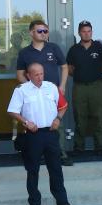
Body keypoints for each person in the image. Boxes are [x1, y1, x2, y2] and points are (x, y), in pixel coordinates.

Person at [6, 62, 76, 205]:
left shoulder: (51, 87)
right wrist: (25, 122)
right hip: (33, 135)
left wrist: (58, 119)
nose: (39, 77)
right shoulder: (21, 90)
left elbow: (63, 105)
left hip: (51, 133)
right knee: (33, 170)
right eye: (36, 74)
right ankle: (35, 204)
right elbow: (12, 111)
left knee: (56, 169)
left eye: (41, 74)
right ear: (28, 75)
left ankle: (62, 202)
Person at [16, 20, 70, 165]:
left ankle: (60, 154)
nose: (43, 34)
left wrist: (62, 86)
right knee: (36, 124)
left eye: (45, 31)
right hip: (34, 96)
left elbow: (64, 67)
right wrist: (30, 89)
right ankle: (38, 155)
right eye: (40, 31)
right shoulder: (24, 53)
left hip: (52, 94)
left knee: (57, 123)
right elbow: (20, 74)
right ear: (31, 33)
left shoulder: (54, 48)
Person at [65, 21, 102, 154]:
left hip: (96, 86)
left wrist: (94, 73)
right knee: (80, 117)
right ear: (79, 33)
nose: (87, 34)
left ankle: (100, 146)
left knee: (98, 116)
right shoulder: (74, 49)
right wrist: (81, 74)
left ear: (92, 32)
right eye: (84, 31)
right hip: (80, 87)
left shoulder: (99, 47)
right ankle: (79, 147)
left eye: (89, 31)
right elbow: (69, 69)